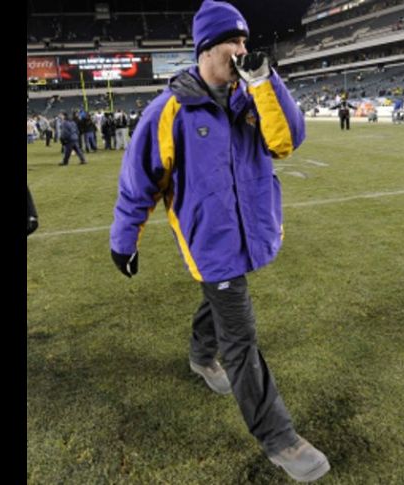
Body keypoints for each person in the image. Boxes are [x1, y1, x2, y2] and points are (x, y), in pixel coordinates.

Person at [108, 1, 330, 482]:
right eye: (236, 42)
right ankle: (280, 438)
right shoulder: (167, 110)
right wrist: (124, 241)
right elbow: (137, 183)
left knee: (223, 298)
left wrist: (266, 83)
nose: (244, 50)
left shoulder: (253, 96)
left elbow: (287, 141)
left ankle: (199, 353)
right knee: (242, 337)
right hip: (209, 241)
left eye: (246, 42)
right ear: (208, 48)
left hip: (249, 234)